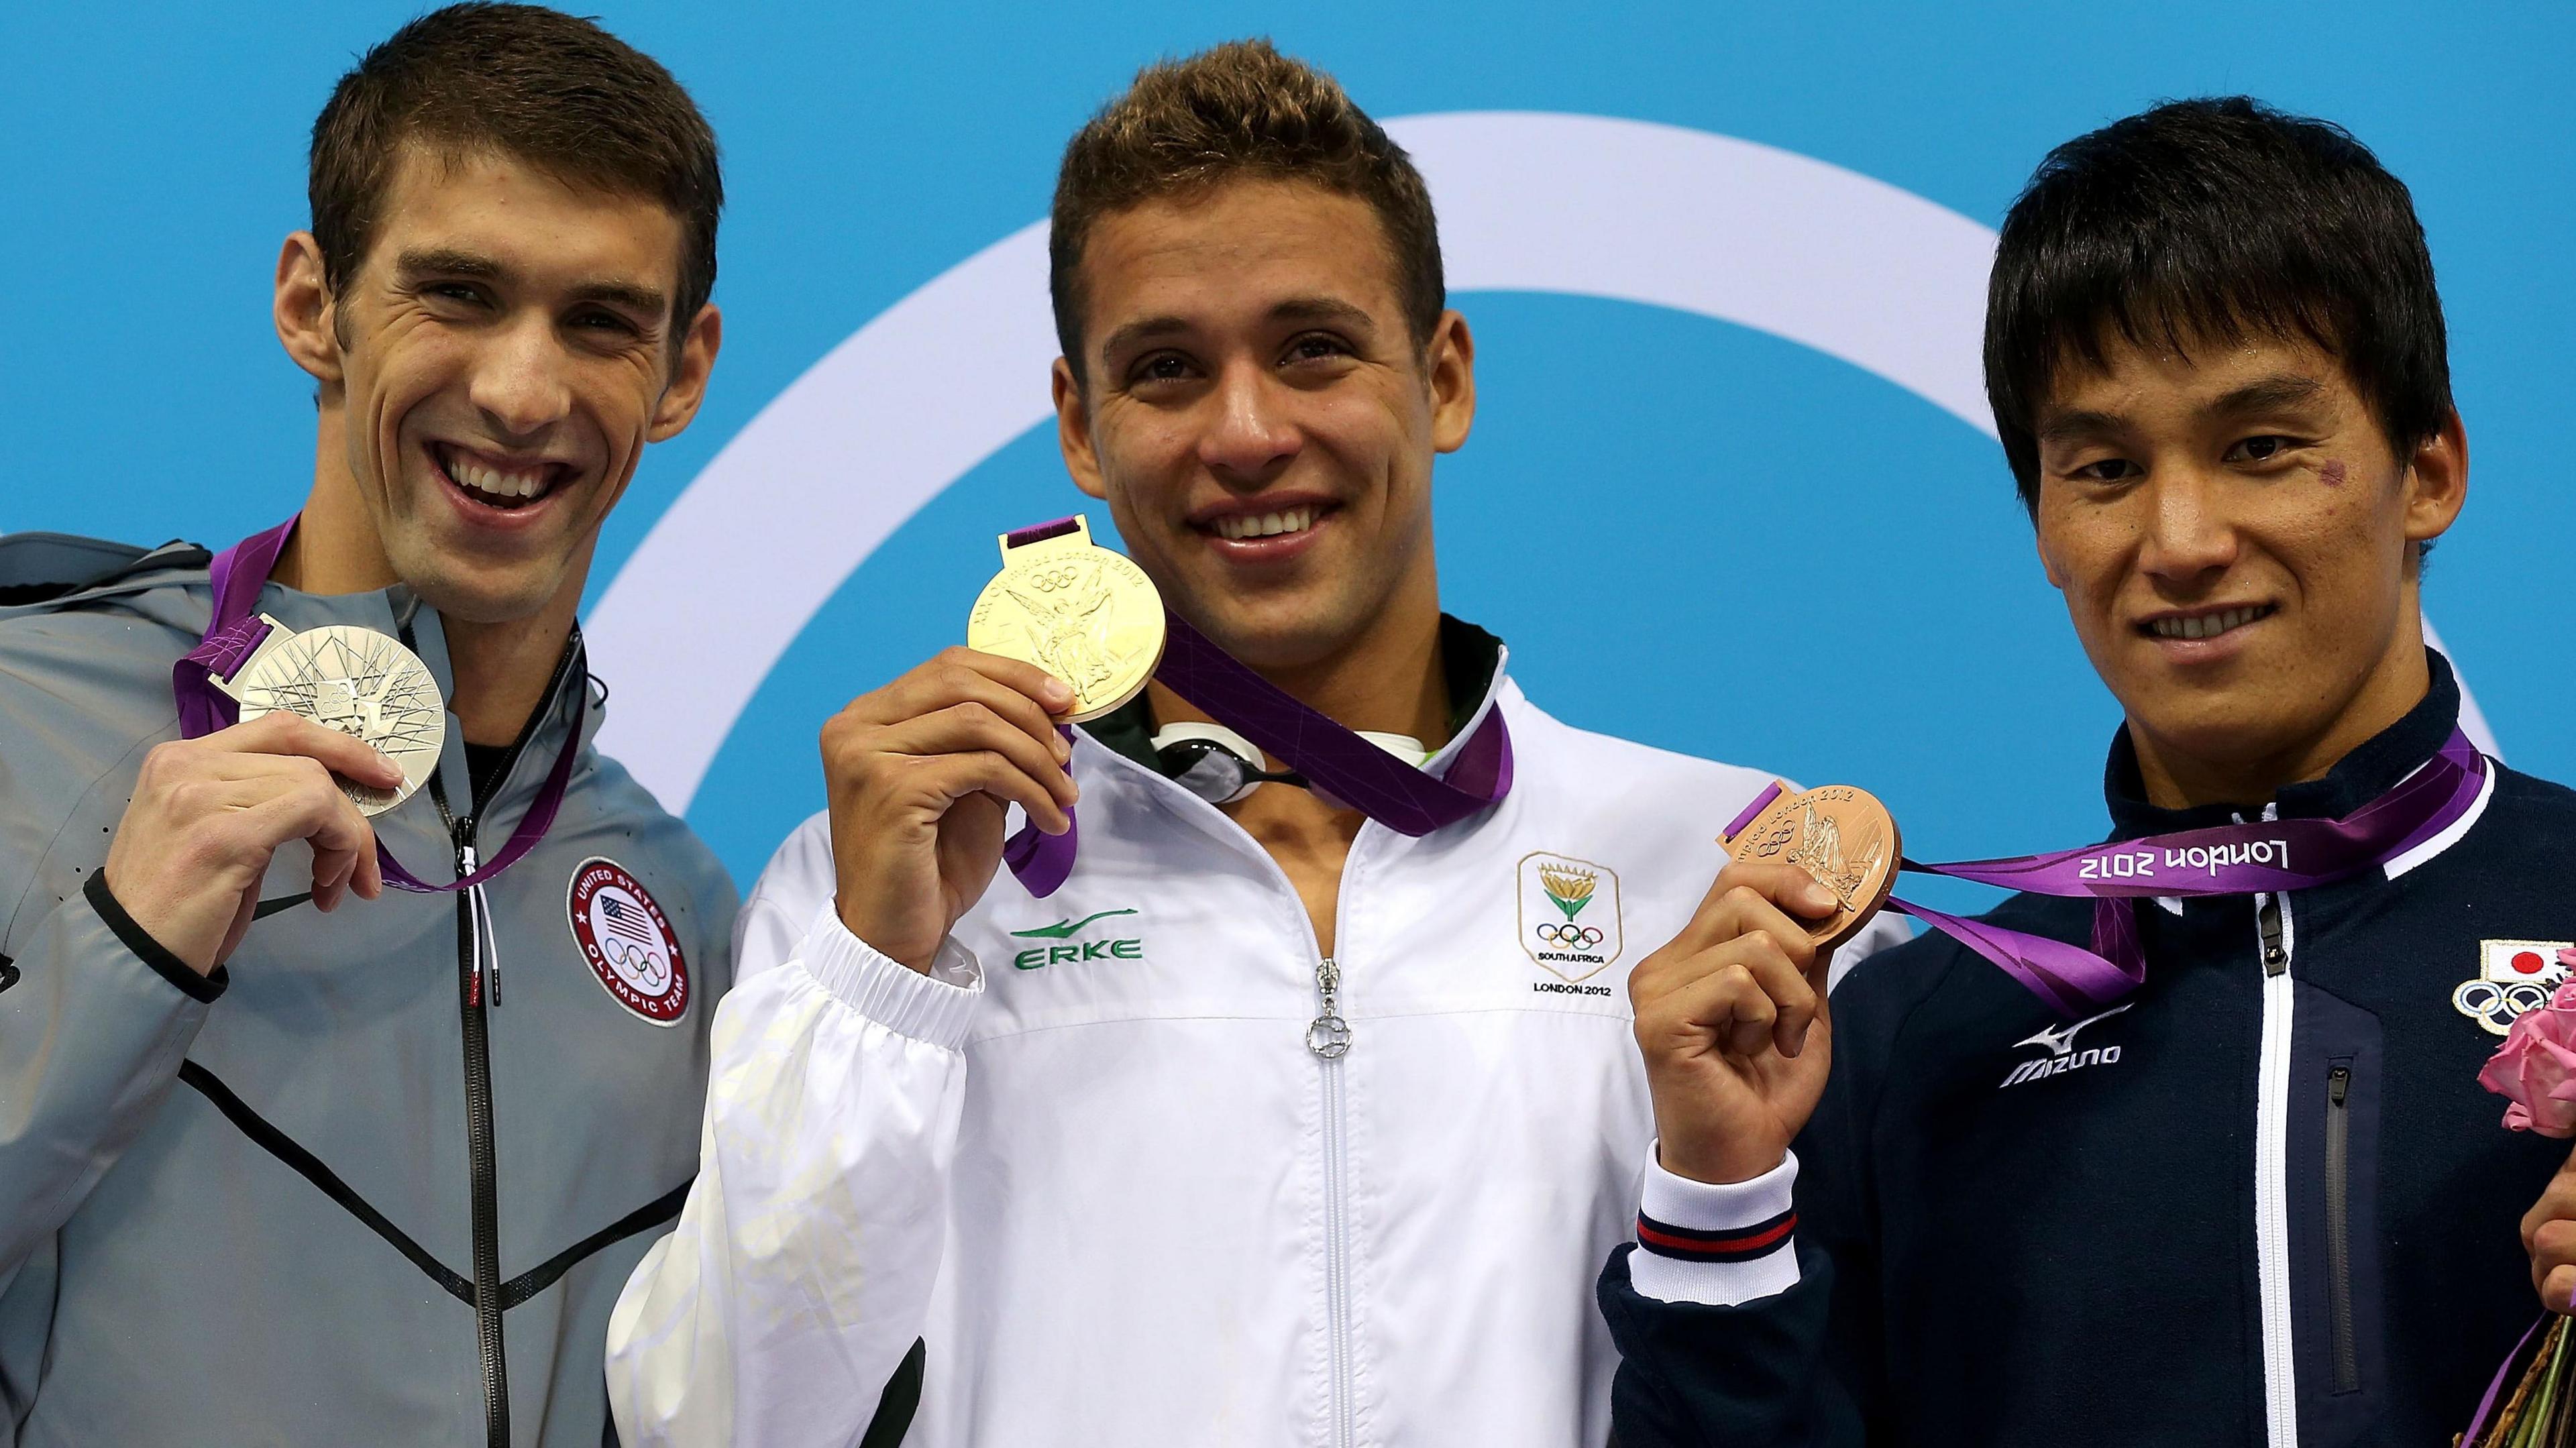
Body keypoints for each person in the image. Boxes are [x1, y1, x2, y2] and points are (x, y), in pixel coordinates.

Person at [604, 39, 1901, 1447]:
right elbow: (719, 1426)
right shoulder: (885, 896)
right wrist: (875, 981)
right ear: (1081, 431)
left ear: (1445, 377)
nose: (1245, 430)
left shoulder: (1712, 878)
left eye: (1313, 350)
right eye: (1165, 369)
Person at [1595, 97, 2576, 1446]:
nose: (2179, 540)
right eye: (2105, 468)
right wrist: (1719, 1198)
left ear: (2428, 471)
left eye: (2261, 449)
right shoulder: (1906, 1045)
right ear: (2045, 524)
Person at [0, 7, 735, 1444]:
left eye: (600, 321)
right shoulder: (22, 713)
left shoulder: (688, 908)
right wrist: (121, 950)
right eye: (455, 294)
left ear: (683, 372)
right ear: (311, 307)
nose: (523, 393)